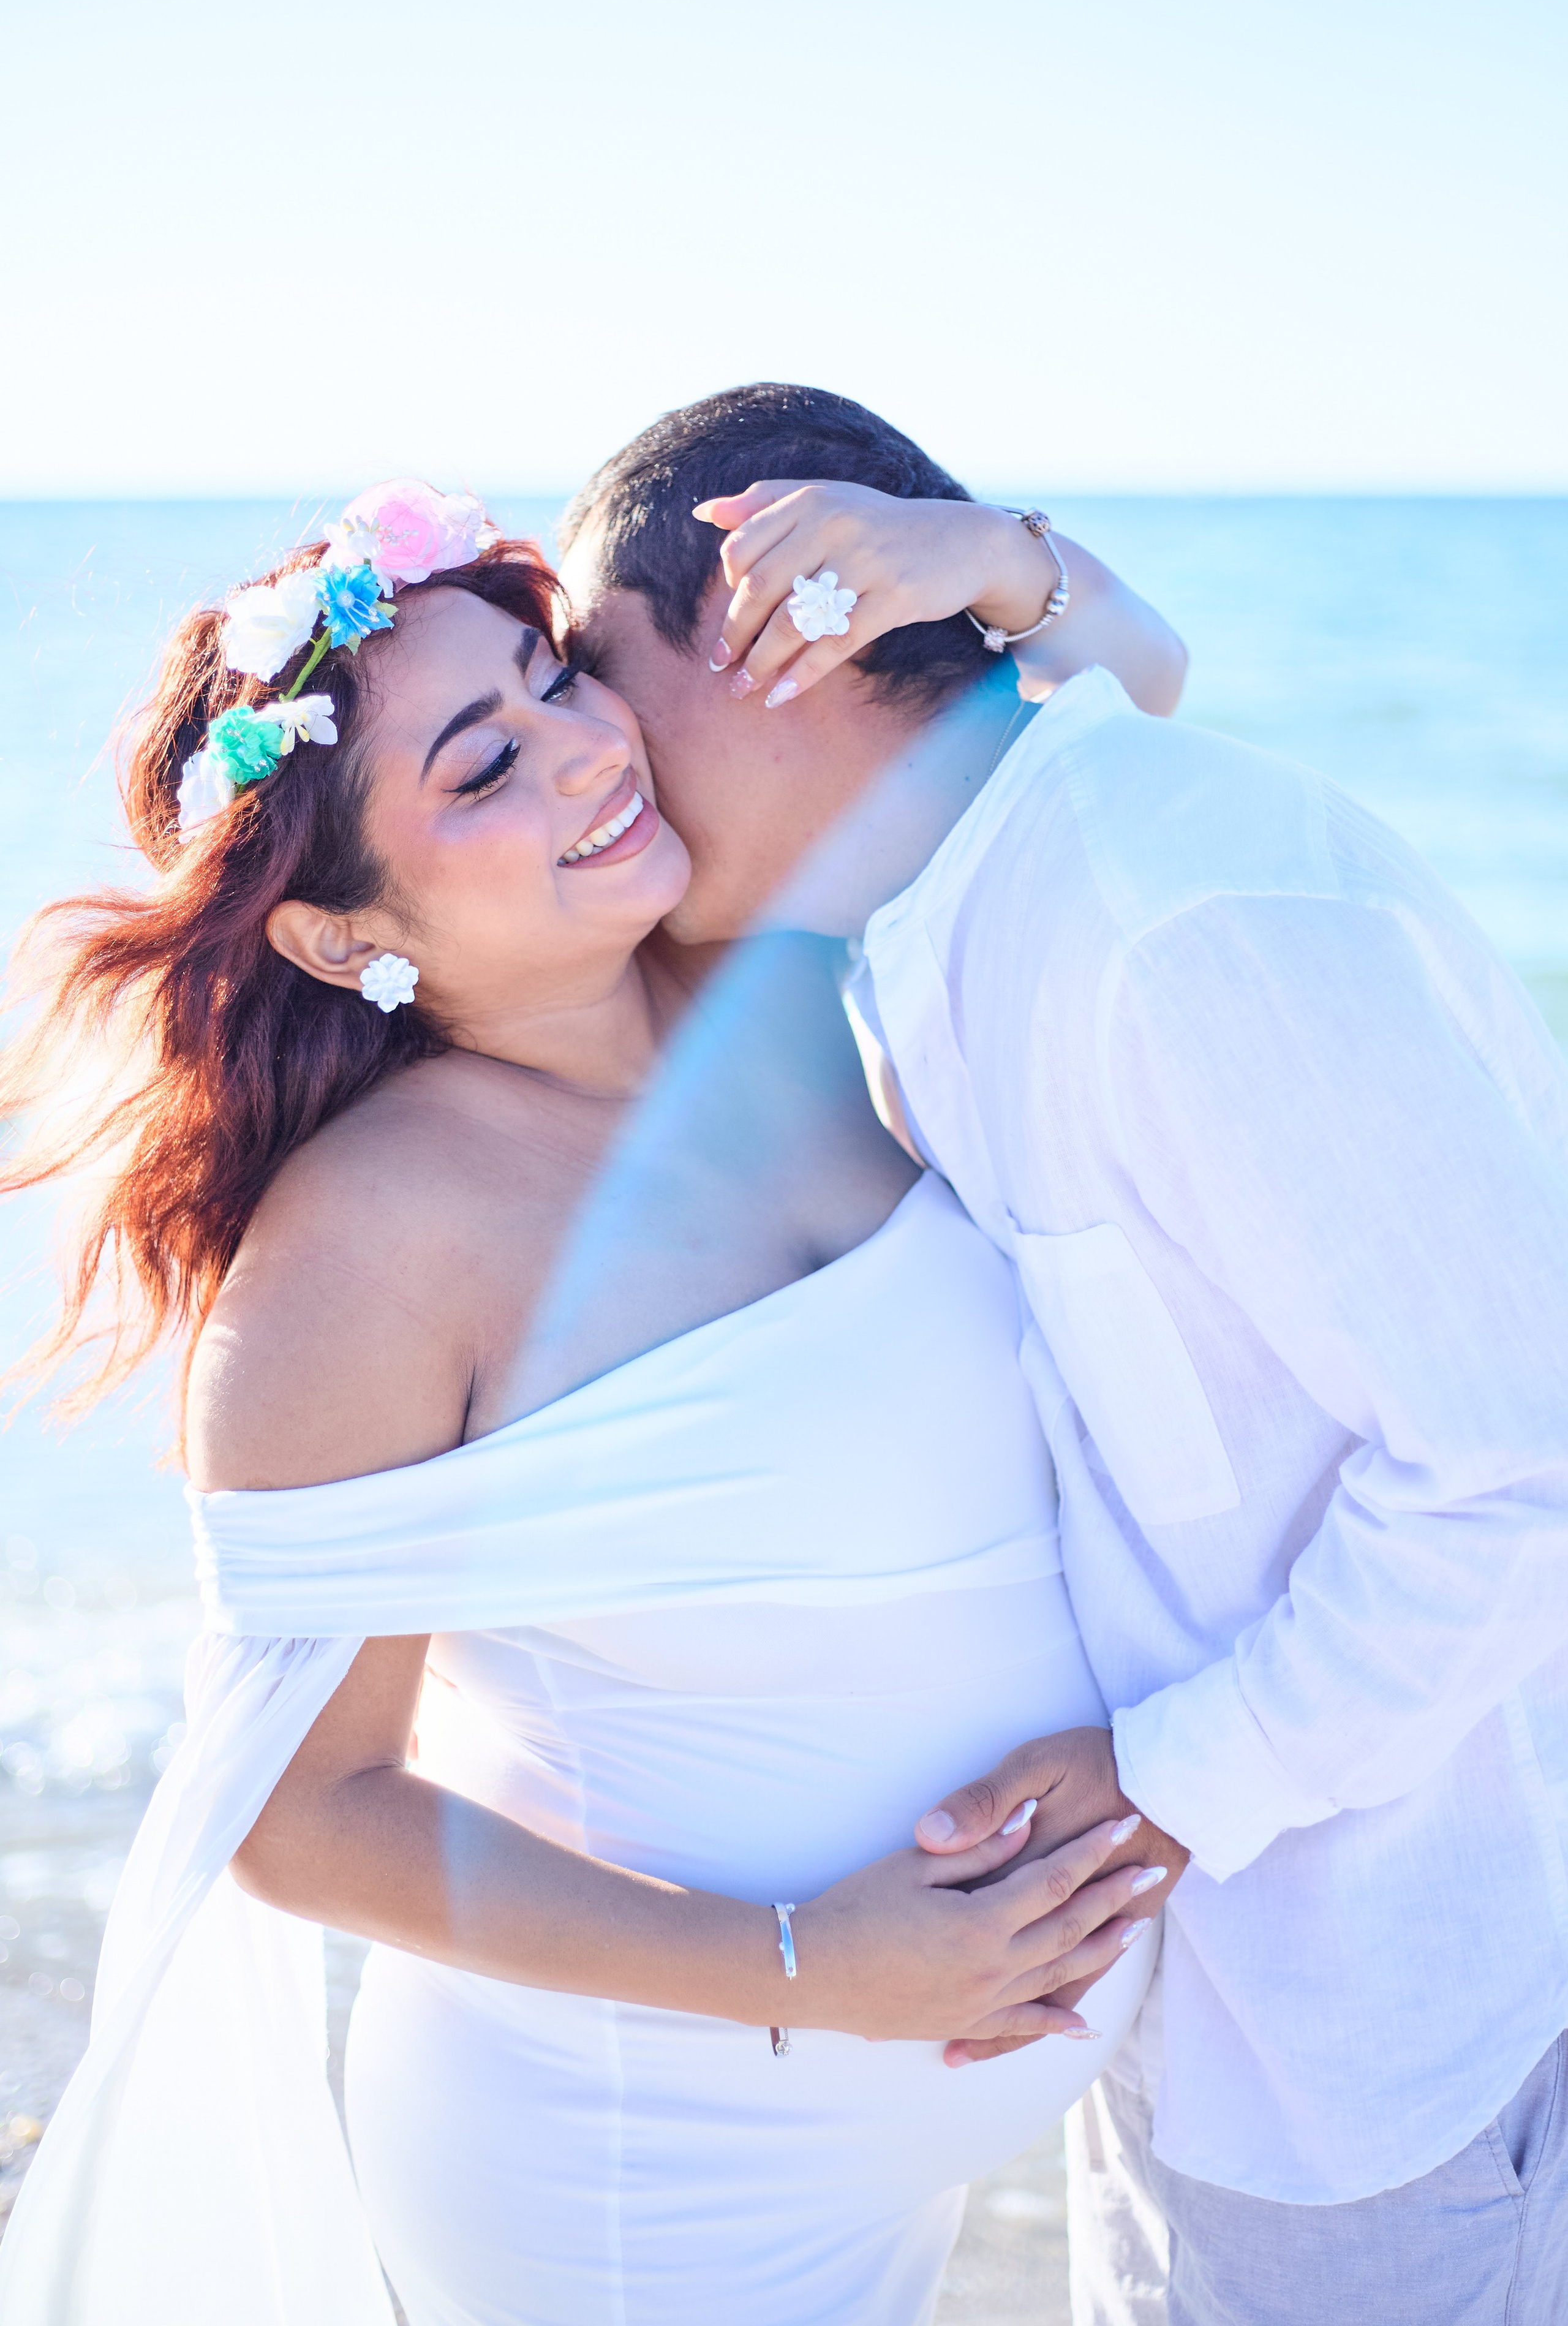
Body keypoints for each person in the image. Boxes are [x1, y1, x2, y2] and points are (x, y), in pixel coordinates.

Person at [0, 474, 1186, 2326]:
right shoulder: (371, 1249)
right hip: (636, 2173)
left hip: (916, 2114)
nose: (582, 751)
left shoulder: (787, 982)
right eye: (479, 770)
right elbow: (302, 1812)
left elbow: (1138, 733)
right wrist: (812, 1968)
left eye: (550, 681)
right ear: (337, 933)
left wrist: (997, 561)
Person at [558, 382, 1568, 2324]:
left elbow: (1522, 1455)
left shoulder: (1166, 911)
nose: (596, 744)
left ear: (798, 615)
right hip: (1213, 2002)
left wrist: (1164, 1782)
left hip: (1391, 2041)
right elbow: (1132, 671)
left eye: (606, 671)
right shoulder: (952, 909)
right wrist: (1021, 565)